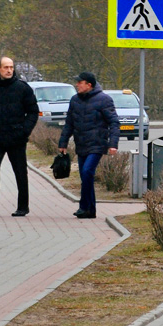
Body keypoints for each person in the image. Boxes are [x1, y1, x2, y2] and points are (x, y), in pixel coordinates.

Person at [0, 56, 39, 218]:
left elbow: (33, 111)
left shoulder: (22, 88)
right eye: (6, 67)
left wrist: (24, 130)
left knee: (20, 173)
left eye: (11, 67)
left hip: (17, 137)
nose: (9, 70)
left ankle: (23, 207)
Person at [58, 72, 118, 219]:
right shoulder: (75, 100)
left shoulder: (104, 100)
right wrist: (63, 143)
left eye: (80, 82)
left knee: (87, 172)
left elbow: (114, 122)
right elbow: (69, 123)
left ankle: (83, 207)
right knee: (85, 176)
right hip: (81, 144)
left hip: (97, 144)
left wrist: (113, 144)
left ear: (89, 85)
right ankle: (90, 210)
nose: (77, 85)